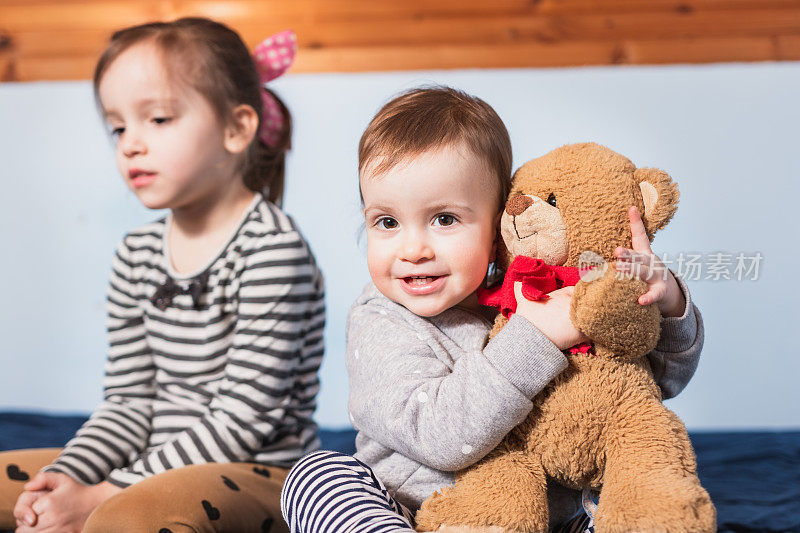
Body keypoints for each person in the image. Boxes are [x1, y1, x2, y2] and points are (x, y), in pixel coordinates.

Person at [280, 87, 703, 533]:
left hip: (542, 519)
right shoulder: (380, 317)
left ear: (500, 222)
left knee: (636, 505)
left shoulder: (539, 291)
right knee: (316, 477)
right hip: (413, 510)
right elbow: (441, 437)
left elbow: (661, 380)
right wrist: (536, 338)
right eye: (387, 222)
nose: (413, 249)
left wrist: (665, 300)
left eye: (444, 219)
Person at [0, 17, 324, 533]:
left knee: (125, 516)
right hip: (150, 464)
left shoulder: (273, 247)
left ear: (236, 128)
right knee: (27, 489)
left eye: (157, 119)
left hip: (260, 471)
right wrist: (67, 478)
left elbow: (244, 417)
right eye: (118, 127)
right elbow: (128, 401)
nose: (129, 144)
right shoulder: (136, 253)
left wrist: (105, 493)